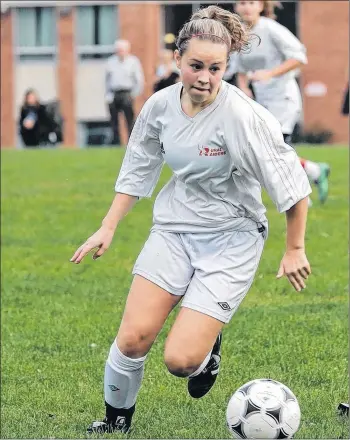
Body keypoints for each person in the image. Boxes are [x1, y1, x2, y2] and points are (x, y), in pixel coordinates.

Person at [71, 5, 312, 435]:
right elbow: (139, 167)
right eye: (196, 66)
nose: (204, 76)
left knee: (180, 362)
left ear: (226, 66)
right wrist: (107, 226)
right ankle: (115, 424)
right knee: (132, 338)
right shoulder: (160, 106)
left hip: (232, 237)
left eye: (215, 68)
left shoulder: (242, 116)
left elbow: (292, 184)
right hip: (175, 229)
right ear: (177, 60)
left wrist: (295, 249)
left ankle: (207, 342)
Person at [235, 0, 330, 204]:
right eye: (242, 3)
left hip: (283, 98)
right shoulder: (240, 34)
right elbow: (240, 68)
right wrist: (244, 90)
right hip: (262, 101)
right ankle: (314, 171)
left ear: (261, 6)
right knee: (270, 150)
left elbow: (299, 57)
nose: (246, 7)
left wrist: (271, 73)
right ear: (236, 7)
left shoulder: (272, 29)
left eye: (251, 2)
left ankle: (301, 195)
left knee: (274, 148)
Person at [105, 40, 144, 146]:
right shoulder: (110, 62)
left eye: (122, 50)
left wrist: (134, 94)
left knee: (129, 119)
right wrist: (107, 95)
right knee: (114, 120)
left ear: (127, 50)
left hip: (127, 93)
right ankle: (116, 141)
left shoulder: (133, 61)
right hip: (114, 93)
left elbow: (139, 80)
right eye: (118, 50)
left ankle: (131, 142)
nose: (120, 52)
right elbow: (106, 81)